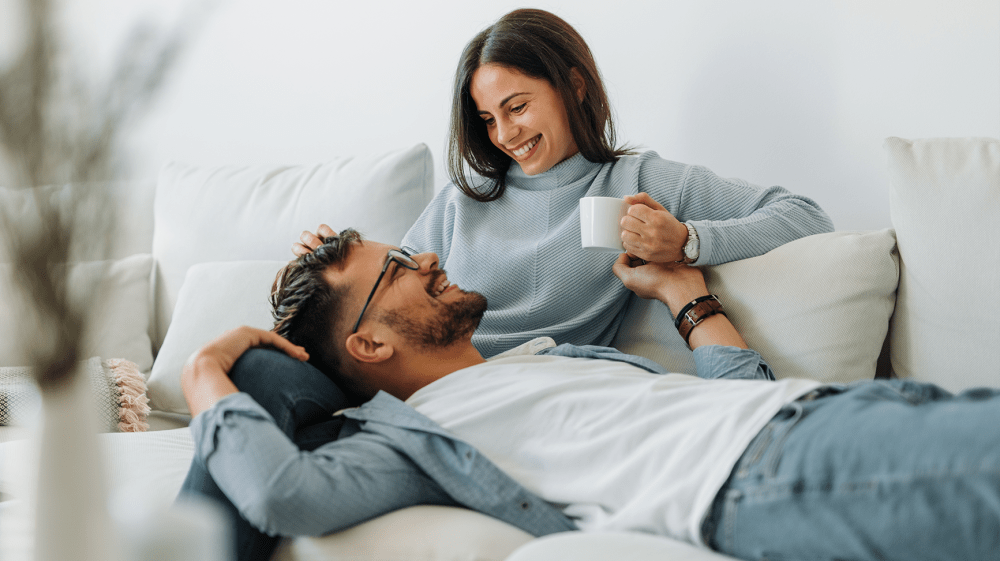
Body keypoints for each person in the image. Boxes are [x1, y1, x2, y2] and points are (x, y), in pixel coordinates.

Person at [182, 229, 999, 561]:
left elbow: (738, 391)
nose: (426, 256)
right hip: (766, 474)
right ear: (368, 344)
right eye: (396, 268)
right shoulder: (405, 438)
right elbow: (283, 494)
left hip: (824, 412)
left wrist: (684, 294)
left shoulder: (548, 358)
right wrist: (204, 373)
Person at [294, 8, 834, 357]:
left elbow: (807, 216)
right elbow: (387, 299)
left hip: (532, 390)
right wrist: (327, 273)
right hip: (430, 383)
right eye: (487, 119)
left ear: (573, 86)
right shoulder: (463, 201)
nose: (504, 134)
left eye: (517, 107)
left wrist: (688, 243)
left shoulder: (634, 182)